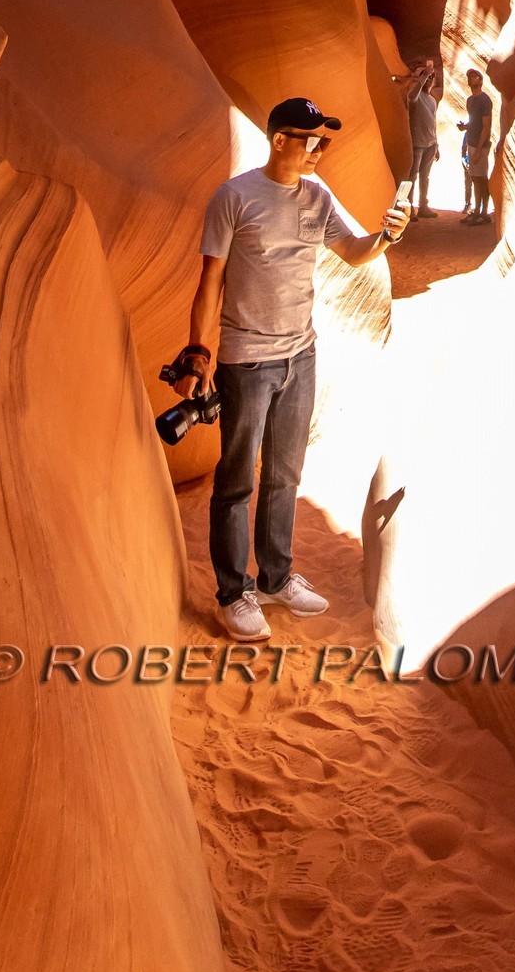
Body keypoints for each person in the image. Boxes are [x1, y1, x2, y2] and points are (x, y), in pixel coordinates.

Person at [176, 96, 410, 641]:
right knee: (236, 483)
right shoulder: (233, 198)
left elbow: (353, 252)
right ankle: (235, 595)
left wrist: (388, 237)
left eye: (325, 141)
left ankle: (276, 578)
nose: (320, 151)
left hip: (300, 357)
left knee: (284, 475)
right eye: (312, 140)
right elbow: (210, 279)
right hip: (246, 359)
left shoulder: (318, 197)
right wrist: (197, 350)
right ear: (280, 139)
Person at [403, 58, 440, 217]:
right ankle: (408, 208)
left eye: (432, 77)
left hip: (430, 143)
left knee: (425, 177)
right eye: (426, 77)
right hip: (417, 143)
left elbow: (433, 122)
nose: (430, 80)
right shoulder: (414, 95)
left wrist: (437, 144)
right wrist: (424, 75)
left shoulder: (432, 100)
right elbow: (411, 97)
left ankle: (423, 207)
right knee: (412, 176)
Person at [461, 68, 494, 223]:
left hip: (481, 145)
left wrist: (479, 150)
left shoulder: (485, 100)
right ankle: (476, 211)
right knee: (475, 178)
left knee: (481, 179)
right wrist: (465, 127)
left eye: (475, 76)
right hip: (472, 143)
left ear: (480, 81)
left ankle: (484, 213)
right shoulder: (470, 100)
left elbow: (486, 126)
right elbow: (474, 121)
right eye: (470, 77)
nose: (472, 79)